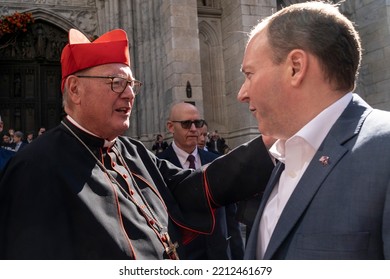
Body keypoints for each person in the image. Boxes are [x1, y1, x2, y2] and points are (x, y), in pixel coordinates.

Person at [0, 28, 274, 260]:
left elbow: (190, 187)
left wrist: (269, 147)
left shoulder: (131, 150)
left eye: (132, 84)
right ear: (74, 89)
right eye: (117, 82)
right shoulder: (34, 167)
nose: (130, 94)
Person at [238, 1, 390, 260]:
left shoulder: (383, 151)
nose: (242, 93)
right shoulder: (287, 157)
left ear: (295, 67)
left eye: (249, 74)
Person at [157, 102, 244, 259]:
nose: (193, 129)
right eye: (186, 123)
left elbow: (231, 216)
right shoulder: (157, 166)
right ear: (170, 127)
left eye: (197, 123)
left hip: (219, 255)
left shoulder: (217, 162)